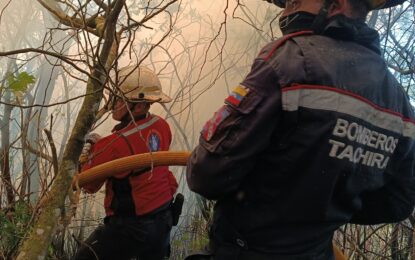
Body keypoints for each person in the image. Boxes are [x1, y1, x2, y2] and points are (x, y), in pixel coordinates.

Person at [186, 0, 415, 259]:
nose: (285, 12)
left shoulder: (290, 61)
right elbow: (398, 201)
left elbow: (206, 174)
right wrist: (323, 212)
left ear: (337, 5)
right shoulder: (399, 101)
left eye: (294, 2)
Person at [74, 66, 179, 260]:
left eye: (119, 99)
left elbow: (88, 184)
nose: (113, 103)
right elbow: (138, 149)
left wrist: (91, 155)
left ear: (139, 105)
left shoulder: (113, 145)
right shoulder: (162, 125)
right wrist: (101, 148)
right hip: (163, 220)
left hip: (131, 228)